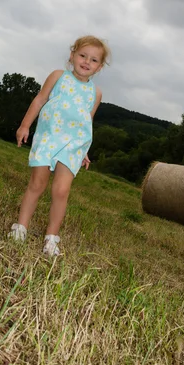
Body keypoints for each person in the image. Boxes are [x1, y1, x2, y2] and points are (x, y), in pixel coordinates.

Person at [10, 35, 111, 256]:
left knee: (62, 190)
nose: (86, 62)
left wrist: (84, 151)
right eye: (82, 55)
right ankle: (21, 228)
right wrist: (25, 125)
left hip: (74, 145)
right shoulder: (58, 76)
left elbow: (88, 121)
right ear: (72, 55)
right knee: (37, 184)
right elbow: (39, 100)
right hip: (48, 138)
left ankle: (51, 239)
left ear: (99, 67)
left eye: (93, 60)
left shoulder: (96, 93)